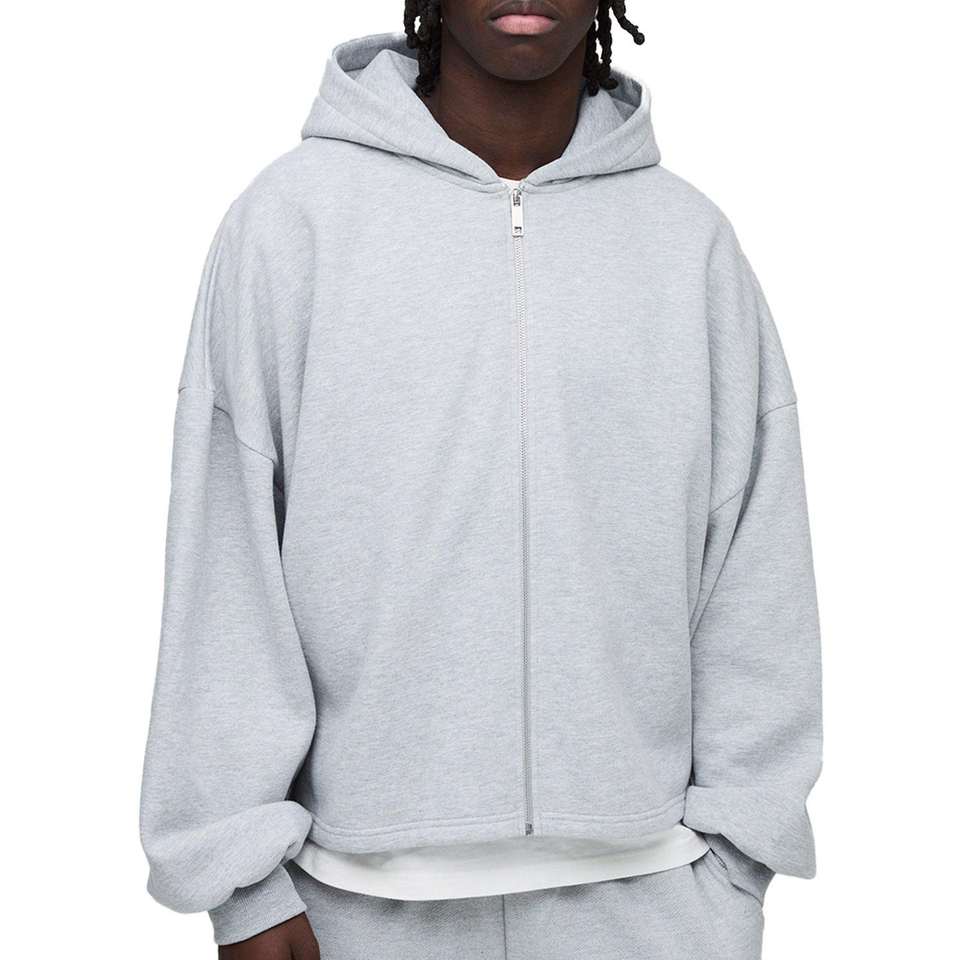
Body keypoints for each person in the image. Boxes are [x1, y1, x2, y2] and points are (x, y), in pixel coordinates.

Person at [140, 2, 823, 958]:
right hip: (350, 912)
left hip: (657, 906)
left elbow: (757, 561)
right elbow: (228, 554)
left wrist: (741, 856)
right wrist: (239, 882)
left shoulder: (687, 243)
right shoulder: (291, 224)